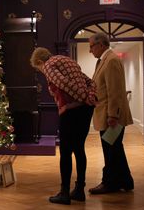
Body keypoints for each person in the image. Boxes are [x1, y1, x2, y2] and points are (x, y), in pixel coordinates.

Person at [30, 47, 96, 205]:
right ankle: (79, 190)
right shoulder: (67, 60)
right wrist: (91, 97)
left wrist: (84, 97)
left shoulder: (48, 65)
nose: (41, 71)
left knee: (65, 152)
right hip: (85, 111)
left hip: (71, 111)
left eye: (38, 68)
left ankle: (64, 193)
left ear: (39, 62)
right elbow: (90, 82)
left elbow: (63, 83)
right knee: (79, 149)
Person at [88, 32, 134, 194]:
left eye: (91, 46)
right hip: (107, 114)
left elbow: (115, 91)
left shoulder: (111, 60)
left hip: (111, 117)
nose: (90, 50)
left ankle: (109, 183)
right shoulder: (105, 61)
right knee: (115, 148)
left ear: (101, 45)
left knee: (111, 150)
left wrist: (112, 115)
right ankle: (126, 181)